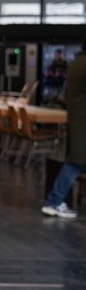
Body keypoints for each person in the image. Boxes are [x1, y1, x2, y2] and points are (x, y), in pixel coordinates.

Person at [42, 45, 86, 218]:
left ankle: (54, 201)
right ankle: (54, 201)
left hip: (76, 120)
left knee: (76, 162)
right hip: (82, 123)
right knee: (75, 163)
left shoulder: (76, 63)